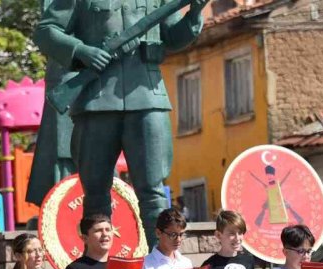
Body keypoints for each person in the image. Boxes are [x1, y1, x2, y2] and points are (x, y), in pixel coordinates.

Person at [33, 0, 209, 246]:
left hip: (148, 97)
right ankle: (97, 266)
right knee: (95, 194)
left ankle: (159, 263)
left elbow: (172, 37)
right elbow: (46, 31)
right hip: (96, 102)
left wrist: (195, 14)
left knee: (153, 191)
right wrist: (81, 51)